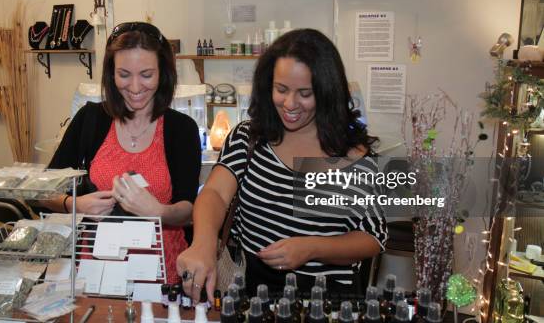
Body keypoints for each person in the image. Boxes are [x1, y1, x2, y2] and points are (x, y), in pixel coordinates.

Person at [177, 29, 387, 299]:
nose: (290, 103)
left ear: (326, 92)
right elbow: (216, 193)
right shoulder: (249, 138)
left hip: (327, 297)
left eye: (304, 93)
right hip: (252, 289)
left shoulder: (355, 157)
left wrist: (312, 248)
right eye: (281, 89)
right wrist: (203, 244)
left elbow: (374, 237)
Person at [43, 22, 201, 284]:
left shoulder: (180, 129)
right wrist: (76, 205)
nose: (136, 87)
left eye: (147, 74)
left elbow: (189, 210)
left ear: (163, 73)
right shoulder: (90, 119)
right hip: (98, 273)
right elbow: (45, 190)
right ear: (111, 74)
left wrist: (158, 210)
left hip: (163, 273)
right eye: (124, 74)